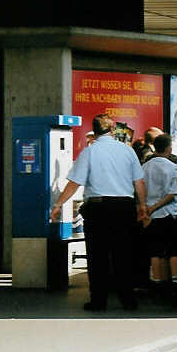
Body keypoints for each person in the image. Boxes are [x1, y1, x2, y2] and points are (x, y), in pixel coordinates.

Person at [50, 113, 147, 311]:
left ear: (94, 132)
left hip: (98, 209)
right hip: (124, 207)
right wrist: (143, 206)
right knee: (123, 254)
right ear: (112, 130)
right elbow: (139, 182)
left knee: (97, 256)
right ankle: (128, 299)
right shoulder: (128, 151)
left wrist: (58, 204)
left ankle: (98, 300)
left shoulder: (90, 152)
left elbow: (75, 182)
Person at [142, 133, 177, 301]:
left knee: (155, 251)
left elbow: (139, 190)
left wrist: (149, 208)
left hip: (151, 216)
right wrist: (157, 206)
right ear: (169, 148)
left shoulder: (144, 167)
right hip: (169, 213)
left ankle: (157, 283)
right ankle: (175, 282)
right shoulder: (173, 168)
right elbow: (173, 193)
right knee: (173, 250)